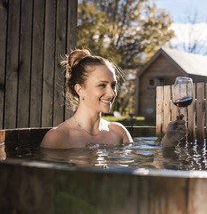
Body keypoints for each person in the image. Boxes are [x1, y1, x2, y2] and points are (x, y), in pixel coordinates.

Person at [40, 49, 185, 149]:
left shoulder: (119, 132)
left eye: (113, 85)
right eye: (102, 85)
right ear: (80, 90)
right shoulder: (57, 138)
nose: (111, 93)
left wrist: (168, 142)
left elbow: (139, 176)